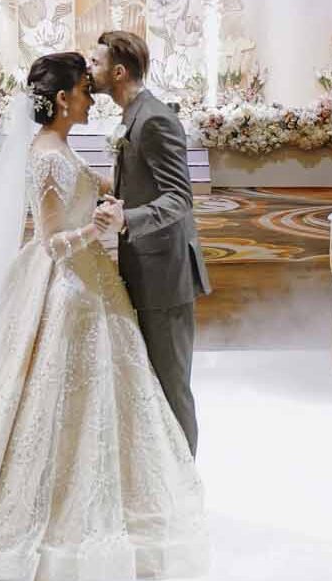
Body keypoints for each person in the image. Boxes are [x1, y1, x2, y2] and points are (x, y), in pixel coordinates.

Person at [0, 52, 207, 581]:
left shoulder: (59, 147)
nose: (90, 97)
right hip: (67, 284)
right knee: (49, 396)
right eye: (84, 89)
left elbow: (99, 194)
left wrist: (115, 203)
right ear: (62, 99)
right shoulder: (48, 155)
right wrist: (97, 229)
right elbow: (52, 240)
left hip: (88, 280)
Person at [88, 29, 209, 455]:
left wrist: (129, 218)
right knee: (150, 384)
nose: (89, 69)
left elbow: (180, 197)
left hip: (165, 274)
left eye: (96, 63)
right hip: (141, 266)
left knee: (171, 385)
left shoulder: (155, 118)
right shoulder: (132, 116)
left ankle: (184, 477)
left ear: (118, 72)